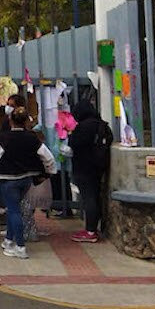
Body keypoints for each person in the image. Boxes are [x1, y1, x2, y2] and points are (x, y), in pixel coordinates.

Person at [0, 106, 57, 259]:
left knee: (13, 211)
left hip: (8, 179)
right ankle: (9, 240)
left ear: (10, 120)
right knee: (14, 209)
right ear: (26, 121)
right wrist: (49, 172)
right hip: (26, 180)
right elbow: (48, 157)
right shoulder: (32, 138)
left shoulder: (3, 138)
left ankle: (20, 246)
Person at [67, 99, 112, 243]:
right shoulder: (102, 125)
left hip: (84, 166)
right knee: (95, 195)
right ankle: (93, 227)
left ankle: (90, 231)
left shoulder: (84, 127)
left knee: (89, 198)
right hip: (99, 166)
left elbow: (74, 144)